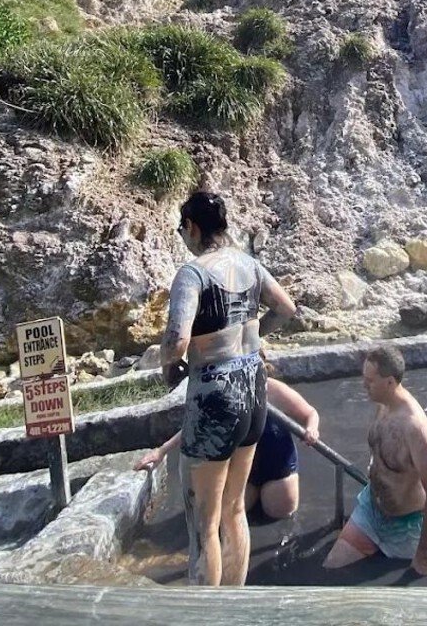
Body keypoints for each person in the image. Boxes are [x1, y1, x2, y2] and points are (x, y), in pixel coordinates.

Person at [158, 190, 295, 586]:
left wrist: (169, 365)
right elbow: (286, 308)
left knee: (204, 524)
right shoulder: (250, 265)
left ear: (192, 227)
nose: (182, 235)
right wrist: (253, 337)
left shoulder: (193, 273)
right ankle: (234, 603)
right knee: (235, 508)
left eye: (181, 228)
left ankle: (206, 611)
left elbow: (177, 341)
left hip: (215, 395)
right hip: (253, 385)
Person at [135, 361, 320, 521]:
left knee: (277, 514)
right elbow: (197, 424)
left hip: (278, 466)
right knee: (225, 516)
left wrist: (312, 428)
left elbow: (310, 413)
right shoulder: (225, 391)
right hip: (243, 470)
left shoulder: (272, 389)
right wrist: (161, 451)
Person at [323, 344, 427, 576]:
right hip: (371, 509)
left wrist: (423, 555)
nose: (364, 385)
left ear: (390, 382)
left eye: (370, 381)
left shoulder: (415, 428)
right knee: (331, 569)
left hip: (405, 526)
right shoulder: (383, 405)